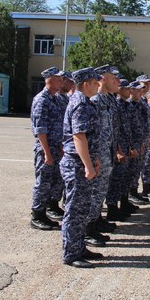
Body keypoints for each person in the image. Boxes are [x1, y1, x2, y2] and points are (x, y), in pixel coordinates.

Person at [59, 67, 103, 268]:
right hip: (76, 164)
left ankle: (78, 246)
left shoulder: (85, 102)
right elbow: (79, 137)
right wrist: (87, 165)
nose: (98, 85)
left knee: (82, 208)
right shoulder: (80, 104)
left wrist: (93, 160)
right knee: (75, 210)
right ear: (86, 84)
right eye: (96, 82)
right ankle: (71, 253)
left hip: (83, 163)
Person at [86, 65, 122, 246]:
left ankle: (95, 222)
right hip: (97, 156)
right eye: (113, 78)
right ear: (103, 79)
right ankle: (88, 229)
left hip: (106, 154)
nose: (117, 82)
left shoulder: (107, 100)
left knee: (100, 192)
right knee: (94, 193)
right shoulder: (94, 101)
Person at [30, 67, 65, 230]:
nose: (61, 82)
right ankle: (37, 215)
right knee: (43, 182)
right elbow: (40, 130)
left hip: (56, 148)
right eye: (58, 80)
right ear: (49, 80)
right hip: (46, 149)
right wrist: (46, 153)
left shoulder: (55, 99)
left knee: (55, 181)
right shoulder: (41, 100)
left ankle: (49, 208)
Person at [105, 78, 139, 221]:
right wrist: (118, 150)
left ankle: (121, 204)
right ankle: (112, 209)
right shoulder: (116, 105)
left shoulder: (126, 105)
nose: (129, 91)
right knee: (115, 180)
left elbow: (129, 128)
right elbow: (115, 131)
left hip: (126, 146)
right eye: (126, 89)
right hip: (118, 148)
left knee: (123, 178)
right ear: (119, 90)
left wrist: (132, 146)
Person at [47, 70, 75, 222]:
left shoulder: (64, 99)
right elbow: (41, 128)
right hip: (53, 145)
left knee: (59, 179)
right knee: (47, 180)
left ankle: (54, 204)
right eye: (68, 81)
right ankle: (44, 209)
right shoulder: (54, 98)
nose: (71, 84)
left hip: (61, 145)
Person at [127, 81, 149, 205]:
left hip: (141, 141)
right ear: (132, 91)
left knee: (137, 168)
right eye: (138, 90)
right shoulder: (129, 105)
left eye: (141, 90)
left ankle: (134, 192)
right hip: (132, 143)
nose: (141, 92)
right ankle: (131, 193)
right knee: (131, 169)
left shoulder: (140, 103)